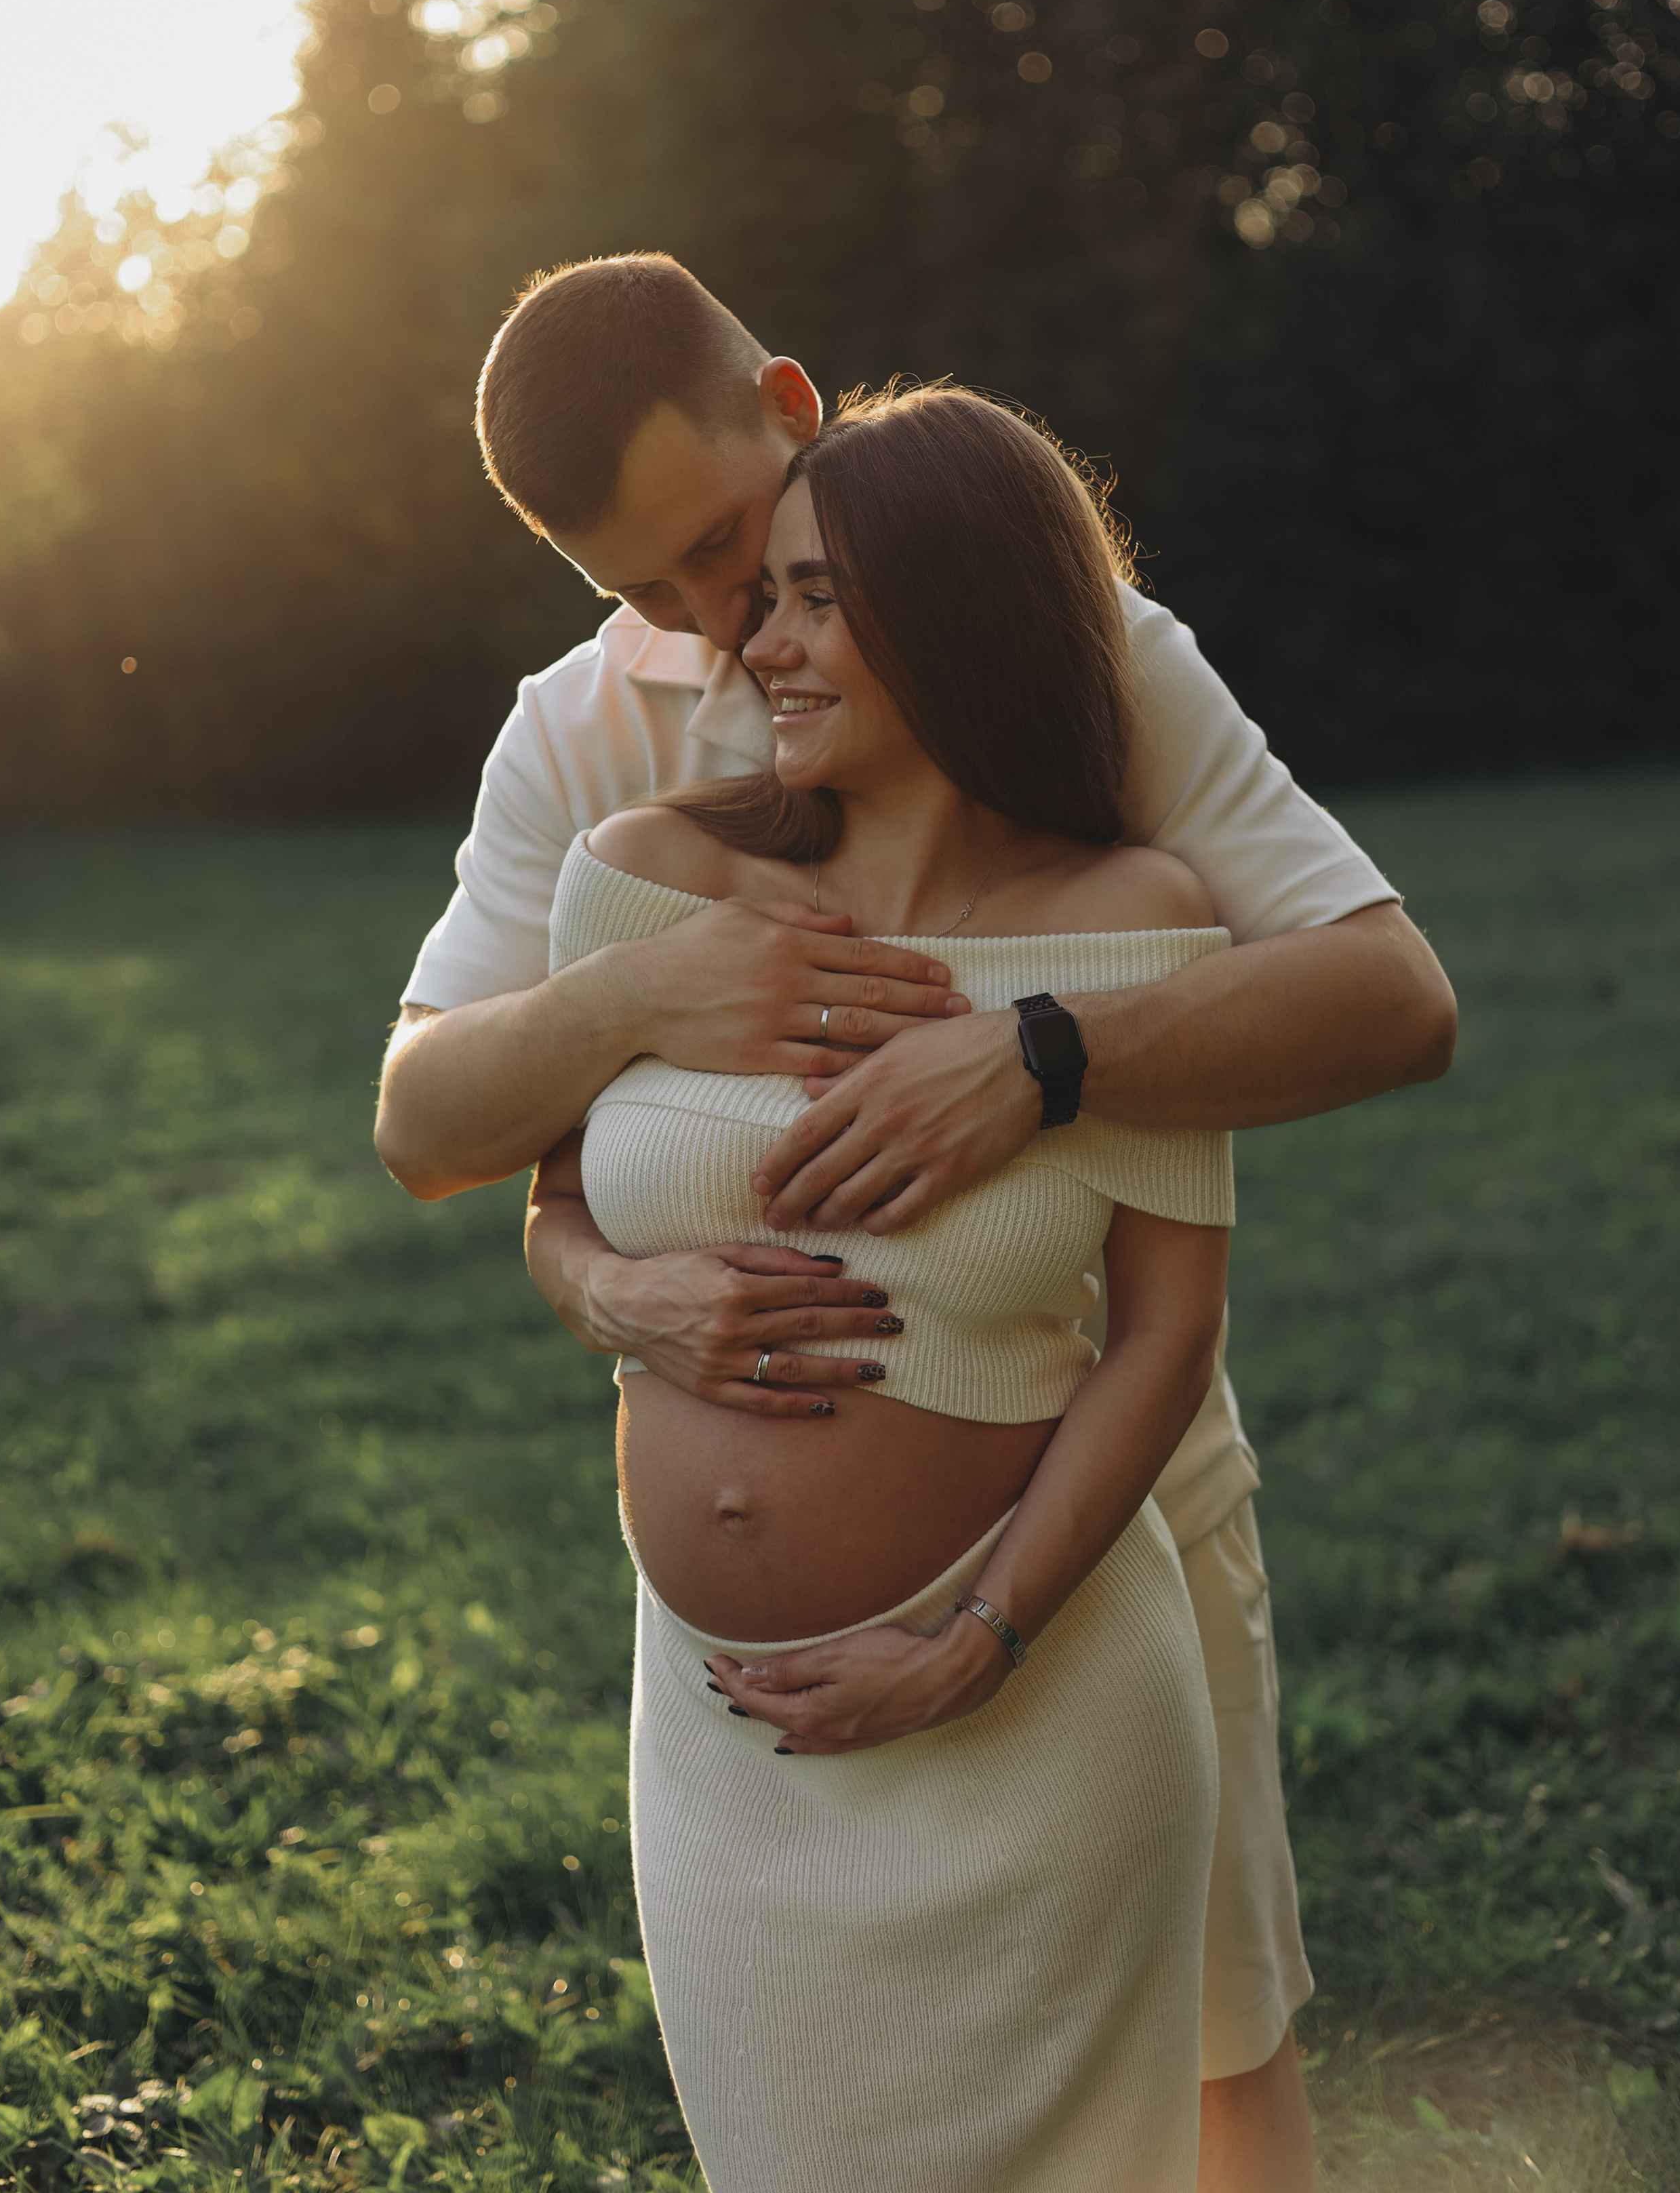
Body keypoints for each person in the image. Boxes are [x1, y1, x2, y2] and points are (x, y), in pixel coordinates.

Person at [376, 255, 1458, 2193]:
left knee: (1216, 2052)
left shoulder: (1064, 638)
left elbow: (1393, 999)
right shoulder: (580, 752)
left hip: (1103, 1511)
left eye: (732, 548)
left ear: (789, 404)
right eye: (648, 591)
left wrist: (1044, 1049)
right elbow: (428, 1124)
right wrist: (633, 1019)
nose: (722, 630)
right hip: (738, 1695)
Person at [533, 388, 1237, 2190]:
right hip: (726, 1736)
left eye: (814, 597)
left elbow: (1164, 1334)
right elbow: (550, 1212)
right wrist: (620, 1301)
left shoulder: (1141, 920)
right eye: (762, 598)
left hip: (1041, 1706)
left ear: (962, 611)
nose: (756, 643)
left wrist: (973, 1641)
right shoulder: (645, 881)